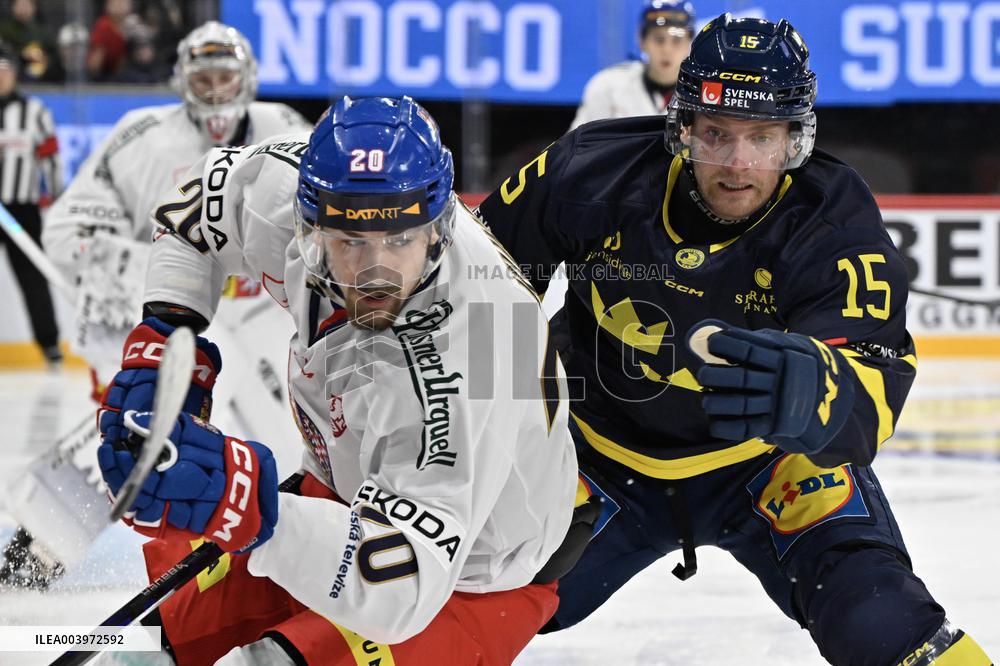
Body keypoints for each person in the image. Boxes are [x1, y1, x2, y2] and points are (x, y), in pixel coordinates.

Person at [477, 14, 993, 666]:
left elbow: (876, 388)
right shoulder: (586, 172)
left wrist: (823, 392)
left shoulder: (834, 219)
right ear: (683, 127)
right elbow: (473, 297)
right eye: (717, 133)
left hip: (771, 462)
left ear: (795, 139)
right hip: (586, 458)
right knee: (447, 609)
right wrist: (486, 424)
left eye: (762, 136)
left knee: (881, 621)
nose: (738, 163)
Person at [96, 95, 583, 665]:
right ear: (308, 223)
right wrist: (163, 340)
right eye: (350, 241)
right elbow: (201, 207)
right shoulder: (285, 191)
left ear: (438, 230)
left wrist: (247, 505)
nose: (374, 269)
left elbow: (403, 584)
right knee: (145, 649)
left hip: (471, 577)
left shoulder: (468, 356)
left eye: (399, 239)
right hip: (346, 491)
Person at [0, 21, 310, 590]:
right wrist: (126, 261)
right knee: (142, 429)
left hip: (259, 315)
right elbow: (67, 230)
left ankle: (284, 555)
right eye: (203, 78)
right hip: (168, 313)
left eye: (225, 77)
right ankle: (43, 544)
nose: (215, 91)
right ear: (182, 80)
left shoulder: (286, 129)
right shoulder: (140, 136)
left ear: (247, 79)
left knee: (296, 445)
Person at [0, 44, 62, 365]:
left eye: (4, 70)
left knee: (33, 276)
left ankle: (49, 343)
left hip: (19, 210)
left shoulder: (35, 112)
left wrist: (56, 199)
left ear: (14, 73)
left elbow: (50, 159)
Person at [569, 0, 694, 130]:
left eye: (677, 40)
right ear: (641, 41)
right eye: (659, 39)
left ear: (690, 44)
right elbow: (579, 140)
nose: (667, 50)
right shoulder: (607, 87)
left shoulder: (700, 93)